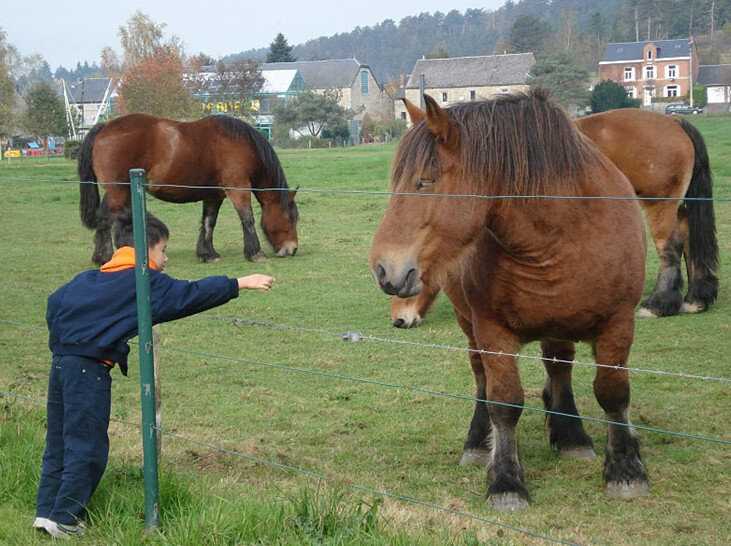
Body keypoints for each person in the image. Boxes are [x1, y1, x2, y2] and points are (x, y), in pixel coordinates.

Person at [34, 212, 274, 538]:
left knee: (59, 441)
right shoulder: (143, 282)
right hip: (88, 372)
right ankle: (65, 518)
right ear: (147, 251)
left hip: (60, 364)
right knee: (87, 446)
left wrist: (70, 341)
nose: (166, 258)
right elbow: (188, 295)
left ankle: (46, 513)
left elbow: (54, 303)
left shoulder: (86, 280)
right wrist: (238, 283)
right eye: (163, 251)